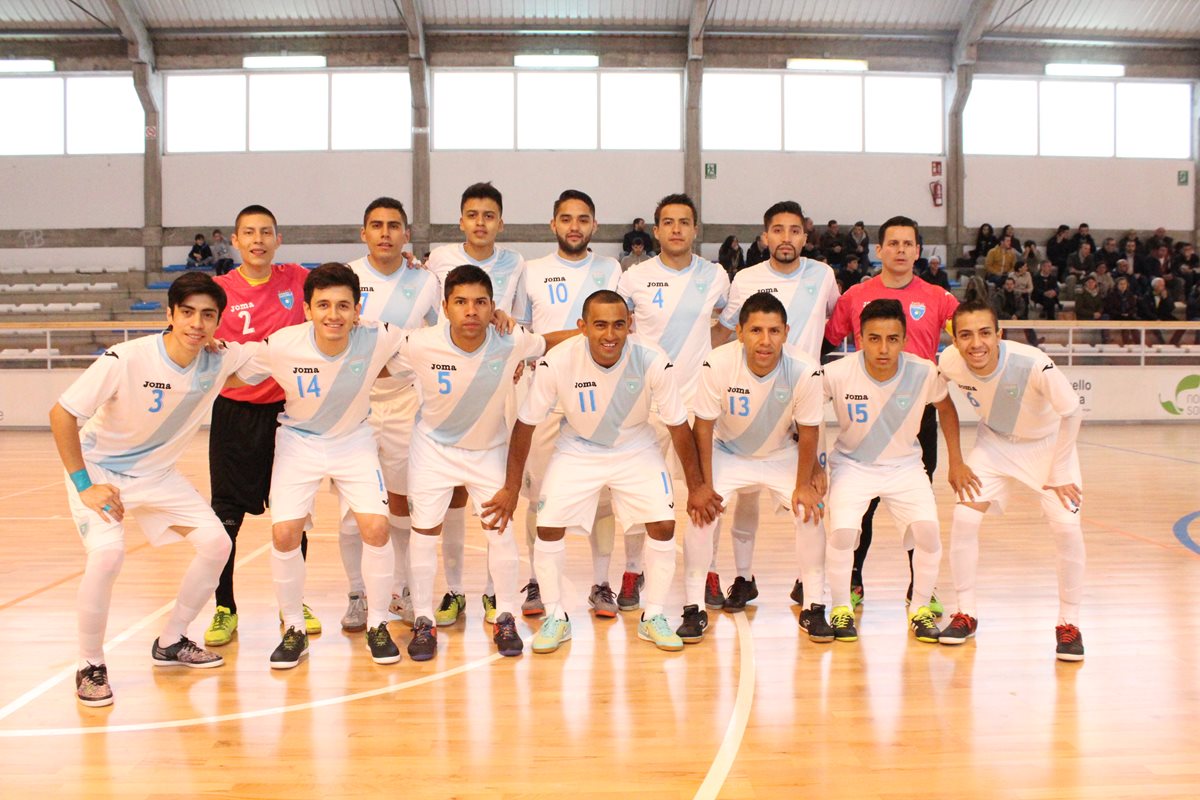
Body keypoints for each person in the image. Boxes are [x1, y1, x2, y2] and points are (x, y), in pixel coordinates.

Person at [51, 273, 252, 707]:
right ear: (170, 314)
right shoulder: (127, 358)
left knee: (217, 543)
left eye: (208, 315)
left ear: (219, 321)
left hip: (158, 476)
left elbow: (275, 355)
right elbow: (62, 413)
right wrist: (85, 485)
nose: (197, 324)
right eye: (187, 313)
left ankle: (172, 640)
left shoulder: (220, 359)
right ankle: (90, 664)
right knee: (108, 556)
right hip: (101, 472)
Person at [485, 290, 721, 654]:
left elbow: (678, 426)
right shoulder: (558, 361)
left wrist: (697, 487)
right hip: (578, 448)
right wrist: (511, 488)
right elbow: (526, 424)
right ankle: (555, 616)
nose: (610, 334)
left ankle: (653, 616)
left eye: (618, 325)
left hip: (635, 446)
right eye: (600, 325)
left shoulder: (653, 359)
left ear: (630, 325)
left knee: (663, 524)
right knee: (548, 526)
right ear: (583, 327)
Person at [230, 263, 414, 669]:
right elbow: (231, 365)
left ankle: (378, 624)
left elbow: (430, 345)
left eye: (343, 305)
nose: (334, 314)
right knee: (284, 534)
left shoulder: (379, 335)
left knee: (376, 527)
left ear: (357, 309)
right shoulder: (282, 344)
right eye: (324, 305)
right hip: (299, 442)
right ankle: (294, 629)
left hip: (354, 440)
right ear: (307, 309)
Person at [392, 265, 572, 660]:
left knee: (499, 533)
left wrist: (591, 331)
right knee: (424, 534)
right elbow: (379, 359)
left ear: (493, 307)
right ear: (445, 307)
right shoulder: (420, 343)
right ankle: (423, 619)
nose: (470, 310)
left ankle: (505, 616)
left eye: (480, 302)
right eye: (461, 302)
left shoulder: (510, 340)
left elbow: (547, 342)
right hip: (432, 451)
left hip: (488, 450)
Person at [824, 216, 959, 614]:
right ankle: (852, 581)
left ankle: (922, 587)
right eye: (893, 243)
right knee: (858, 509)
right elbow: (827, 340)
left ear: (918, 251)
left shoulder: (938, 297)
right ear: (878, 250)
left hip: (916, 415)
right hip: (863, 414)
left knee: (918, 509)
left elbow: (970, 337)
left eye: (908, 244)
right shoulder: (855, 296)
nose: (900, 250)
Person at [938, 300, 1086, 661]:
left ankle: (1069, 623)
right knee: (964, 517)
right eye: (966, 335)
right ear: (955, 340)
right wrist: (956, 460)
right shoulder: (949, 361)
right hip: (995, 444)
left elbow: (1072, 411)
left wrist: (1059, 471)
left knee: (1067, 527)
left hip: (1048, 447)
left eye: (985, 333)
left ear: (999, 334)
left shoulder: (1032, 363)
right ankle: (965, 612)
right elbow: (940, 401)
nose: (976, 343)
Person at [821, 299, 974, 643]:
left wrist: (957, 460)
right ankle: (841, 607)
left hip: (905, 466)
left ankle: (919, 609)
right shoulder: (836, 373)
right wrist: (814, 469)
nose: (883, 348)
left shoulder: (923, 371)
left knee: (928, 533)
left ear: (904, 340)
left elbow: (946, 409)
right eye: (874, 338)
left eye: (892, 339)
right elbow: (808, 415)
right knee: (843, 533)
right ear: (860, 339)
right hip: (853, 465)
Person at [713, 200, 839, 610]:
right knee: (746, 496)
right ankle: (744, 578)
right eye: (778, 230)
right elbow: (727, 331)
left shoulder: (823, 275)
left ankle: (808, 583)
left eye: (795, 230)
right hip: (751, 403)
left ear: (805, 236)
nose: (787, 238)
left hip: (803, 403)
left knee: (813, 494)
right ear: (765, 236)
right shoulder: (746, 279)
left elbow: (835, 325)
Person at [685, 292, 829, 644]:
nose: (765, 340)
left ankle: (814, 606)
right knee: (701, 515)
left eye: (774, 331)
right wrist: (702, 486)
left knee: (809, 511)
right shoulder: (717, 363)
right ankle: (692, 608)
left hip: (780, 453)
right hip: (727, 452)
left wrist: (804, 484)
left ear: (786, 332)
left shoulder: (805, 368)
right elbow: (703, 428)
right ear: (739, 332)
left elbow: (809, 429)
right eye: (756, 331)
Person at [204, 205, 318, 649]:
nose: (258, 240)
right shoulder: (219, 290)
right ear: (234, 241)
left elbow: (347, 284)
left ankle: (294, 606)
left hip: (289, 415)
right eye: (249, 233)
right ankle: (224, 607)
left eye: (266, 232)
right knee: (225, 518)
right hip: (234, 414)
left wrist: (410, 261)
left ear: (278, 239)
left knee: (292, 516)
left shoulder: (297, 279)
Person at [616, 193, 730, 611]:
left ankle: (709, 569)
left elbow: (725, 326)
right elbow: (618, 330)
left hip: (699, 404)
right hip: (646, 403)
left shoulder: (716, 276)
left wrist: (705, 363)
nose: (676, 229)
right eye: (668, 222)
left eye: (684, 222)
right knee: (639, 490)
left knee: (706, 489)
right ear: (656, 229)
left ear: (695, 229)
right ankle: (633, 569)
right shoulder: (634, 277)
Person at [424, 182, 530, 625]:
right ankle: (453, 590)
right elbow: (432, 311)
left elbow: (519, 319)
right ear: (461, 221)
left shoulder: (516, 262)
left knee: (493, 497)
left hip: (493, 380)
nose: (480, 222)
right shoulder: (440, 259)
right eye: (472, 214)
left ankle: (493, 592)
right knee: (452, 493)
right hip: (448, 379)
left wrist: (511, 337)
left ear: (500, 222)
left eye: (489, 215)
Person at [516, 189, 622, 621]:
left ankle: (601, 583)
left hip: (600, 396)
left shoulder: (611, 269)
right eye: (566, 218)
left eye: (582, 219)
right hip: (546, 397)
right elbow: (523, 334)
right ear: (553, 224)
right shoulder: (531, 271)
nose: (574, 226)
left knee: (603, 498)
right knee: (539, 496)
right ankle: (536, 582)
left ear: (594, 225)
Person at [335, 197, 440, 634]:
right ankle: (357, 594)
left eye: (393, 226)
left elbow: (444, 332)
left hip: (404, 402)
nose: (385, 233)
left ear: (406, 234)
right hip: (352, 403)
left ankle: (403, 589)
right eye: (376, 225)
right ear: (363, 233)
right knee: (351, 509)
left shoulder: (427, 280)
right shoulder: (345, 276)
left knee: (402, 501)